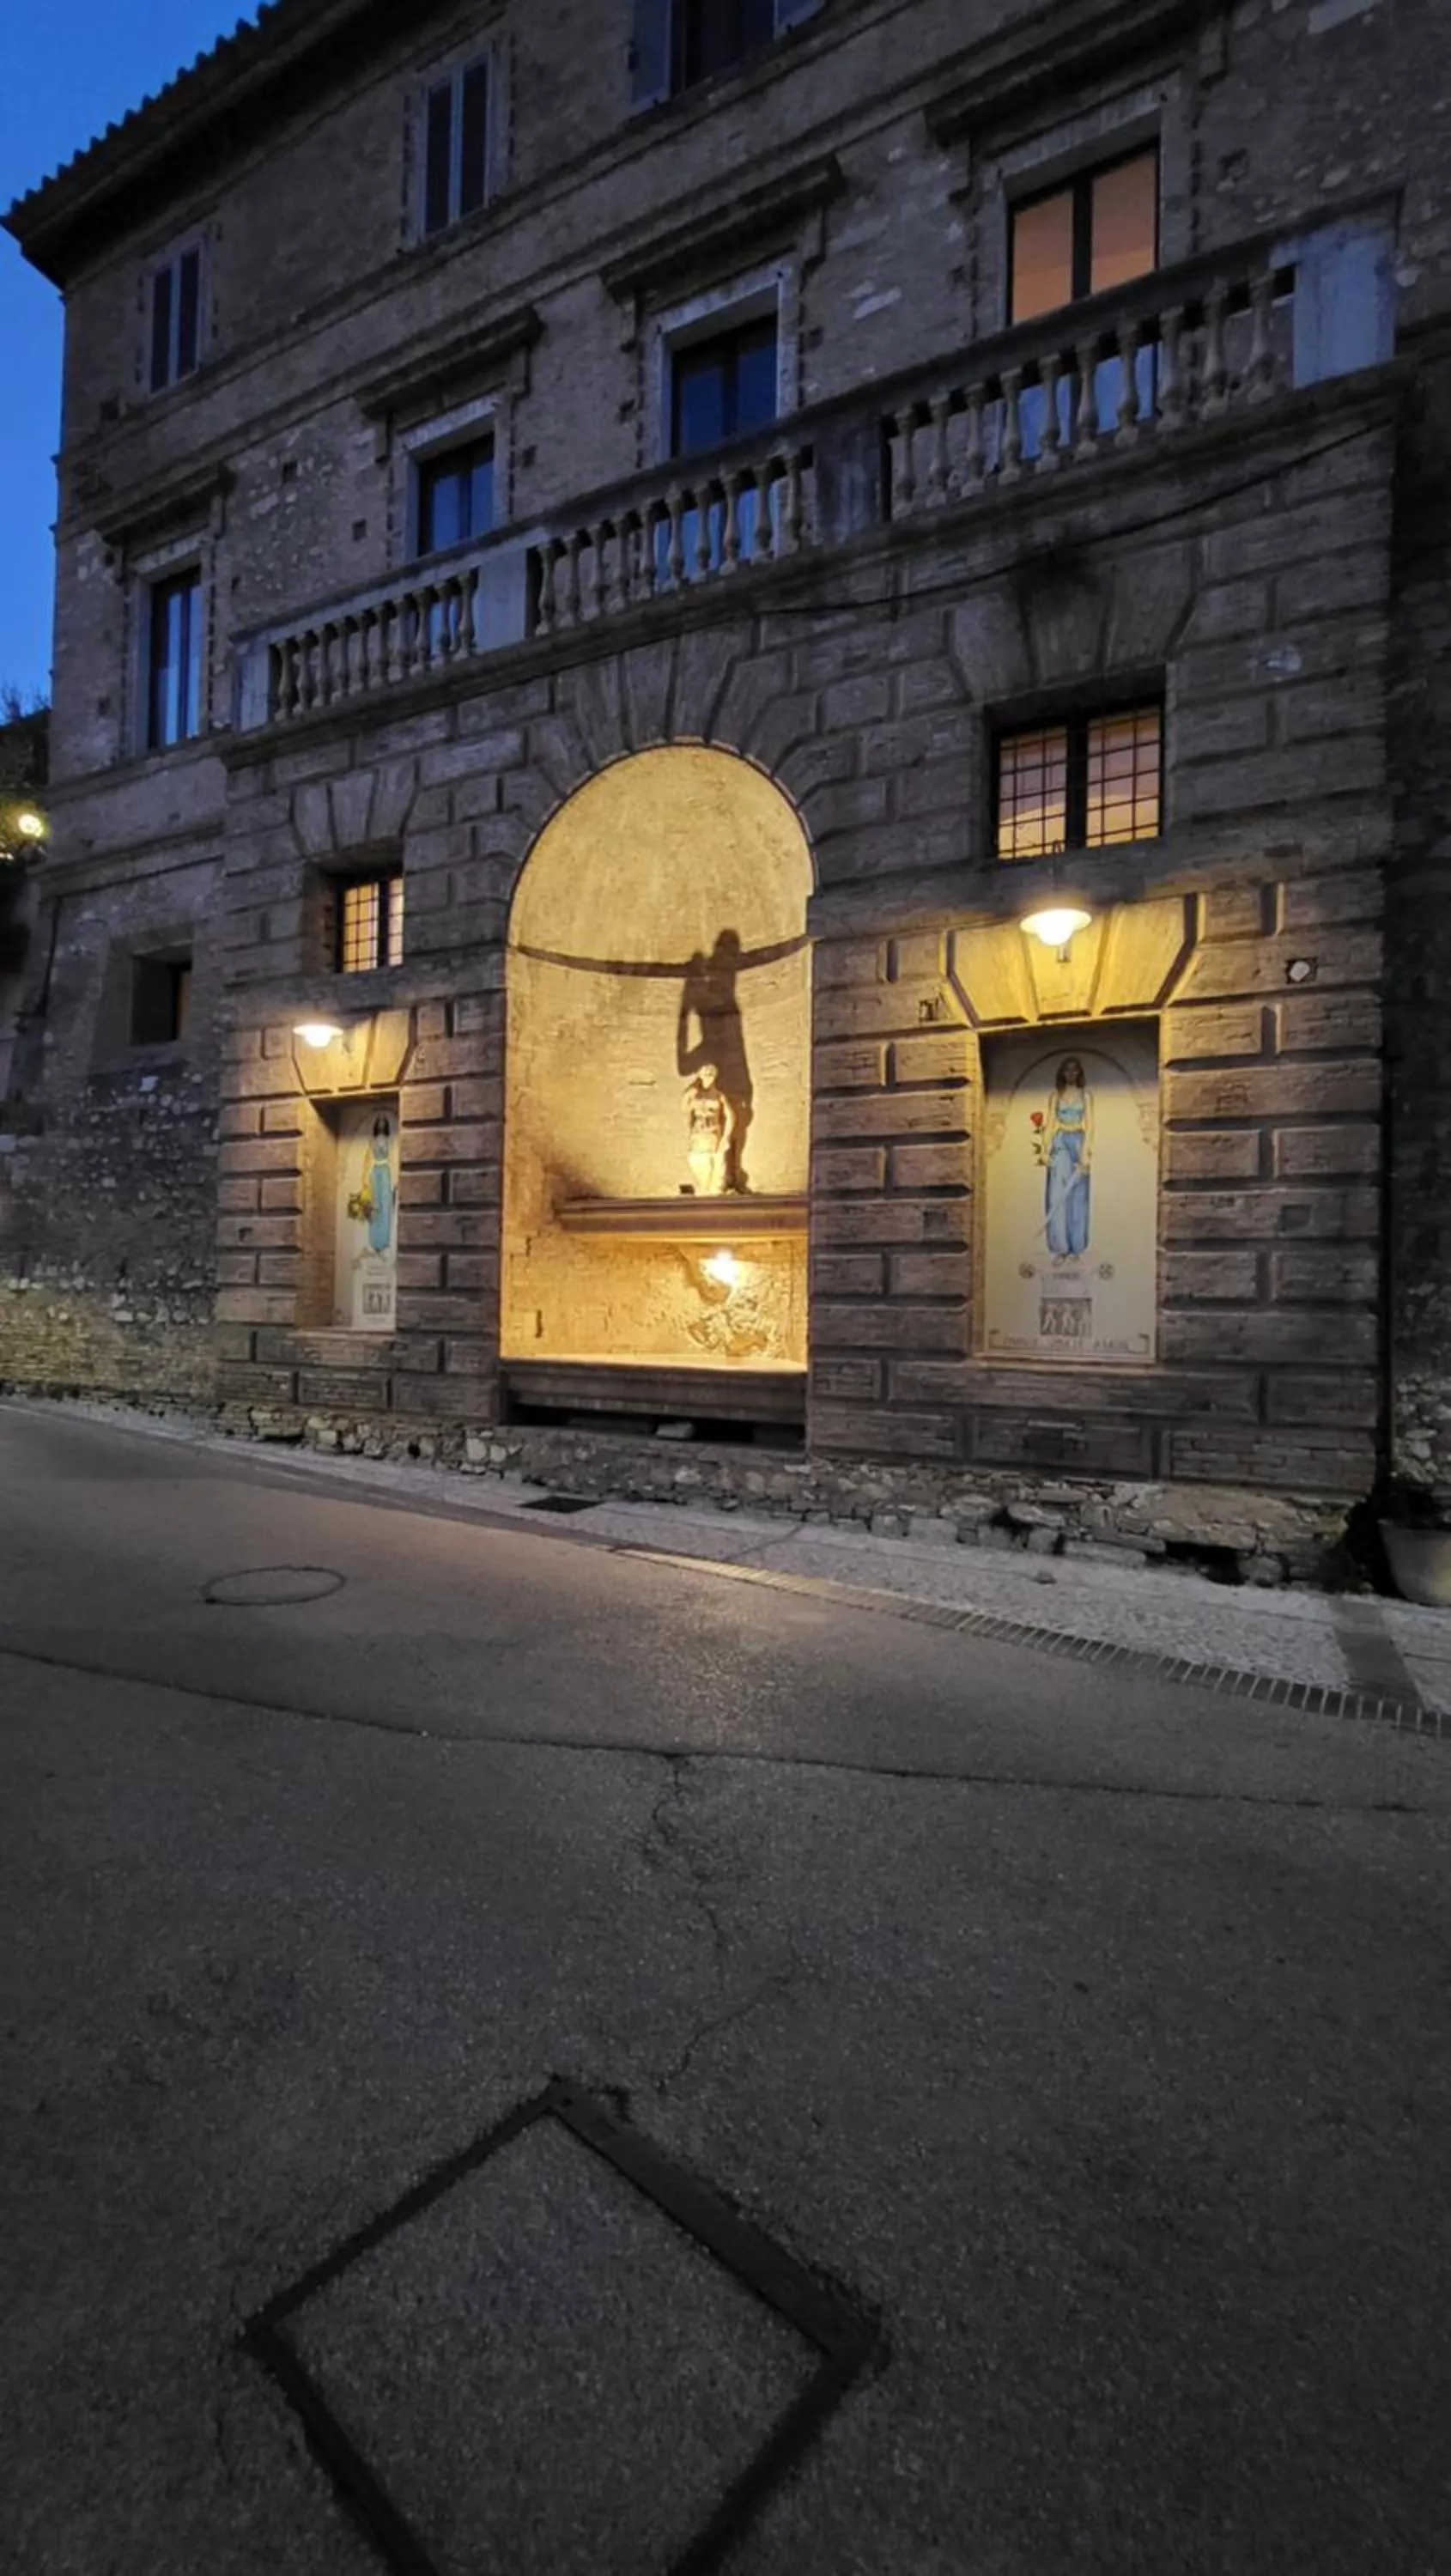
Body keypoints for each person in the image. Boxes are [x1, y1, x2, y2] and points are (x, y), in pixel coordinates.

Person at [1043, 1057, 1092, 1258]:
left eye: (1074, 1070)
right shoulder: (1056, 1096)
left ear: (1079, 1073)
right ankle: (1060, 1247)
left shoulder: (1086, 1096)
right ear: (1062, 1073)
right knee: (1057, 1193)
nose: (1071, 1074)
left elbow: (1090, 1125)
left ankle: (1076, 1247)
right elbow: (1049, 1123)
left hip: (1079, 1141)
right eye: (1067, 1070)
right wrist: (1044, 1150)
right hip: (1061, 1141)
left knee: (1078, 1194)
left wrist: (1086, 1152)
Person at [683, 1063, 735, 1197]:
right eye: (706, 1073)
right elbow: (685, 1110)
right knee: (697, 1160)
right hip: (698, 1133)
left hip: (713, 1133)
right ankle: (705, 1187)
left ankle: (714, 1188)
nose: (709, 1075)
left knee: (716, 1160)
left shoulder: (718, 1096)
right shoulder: (694, 1095)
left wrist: (726, 1136)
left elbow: (731, 1116)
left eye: (711, 1073)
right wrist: (689, 1094)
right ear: (700, 1075)